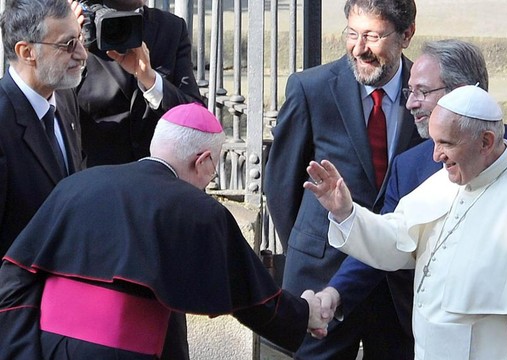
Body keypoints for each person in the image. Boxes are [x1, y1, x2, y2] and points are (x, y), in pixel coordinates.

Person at [319, 39, 507, 359]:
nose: (436, 155)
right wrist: (347, 213)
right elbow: (398, 239)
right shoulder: (451, 177)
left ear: (485, 141)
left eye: (446, 143)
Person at [0, 102, 330, 360]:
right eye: (213, 168)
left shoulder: (76, 186)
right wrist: (305, 315)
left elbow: (16, 269)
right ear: (203, 161)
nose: (210, 179)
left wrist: (21, 349)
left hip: (44, 345)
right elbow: (253, 298)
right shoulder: (199, 210)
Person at [263, 0, 422, 357]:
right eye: (352, 33)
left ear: (406, 34)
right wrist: (308, 247)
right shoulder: (312, 89)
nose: (359, 47)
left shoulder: (427, 92)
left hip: (397, 282)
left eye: (373, 36)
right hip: (322, 276)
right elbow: (281, 184)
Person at [0, 0, 86, 257]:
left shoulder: (65, 98)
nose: (82, 53)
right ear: (27, 52)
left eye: (81, 39)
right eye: (68, 44)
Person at [77, 0, 202, 167]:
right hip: (94, 178)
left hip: (160, 176)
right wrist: (70, 49)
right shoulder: (73, 26)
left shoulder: (171, 27)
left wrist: (151, 81)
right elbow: (49, 110)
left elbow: (196, 117)